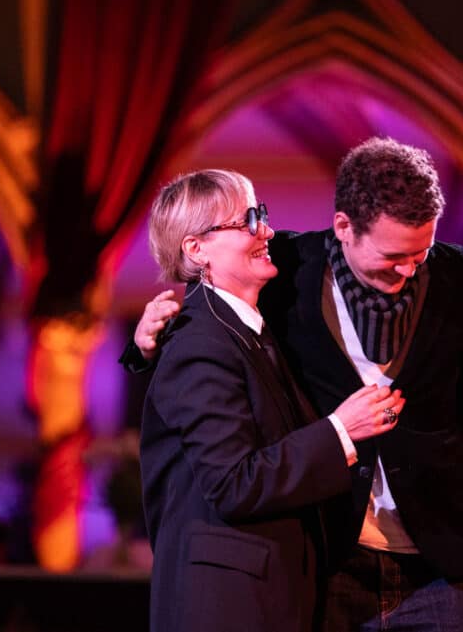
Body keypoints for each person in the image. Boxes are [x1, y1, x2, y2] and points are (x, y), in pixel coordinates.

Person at [125, 139, 463, 632]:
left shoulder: (462, 276)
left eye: (421, 252)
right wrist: (146, 345)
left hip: (443, 563)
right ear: (344, 227)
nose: (409, 268)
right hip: (331, 562)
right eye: (393, 254)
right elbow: (208, 302)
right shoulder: (286, 269)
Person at [139, 169, 404, 632]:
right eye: (246, 221)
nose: (266, 230)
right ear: (196, 249)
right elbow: (233, 483)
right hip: (227, 608)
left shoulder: (247, 331)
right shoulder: (201, 342)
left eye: (260, 214)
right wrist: (341, 430)